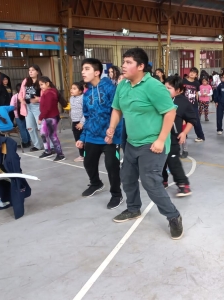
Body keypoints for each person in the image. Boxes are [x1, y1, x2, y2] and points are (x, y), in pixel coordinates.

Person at [105, 48, 183, 240]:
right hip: (131, 142)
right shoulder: (122, 85)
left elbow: (170, 112)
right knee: (128, 178)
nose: (123, 65)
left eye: (129, 62)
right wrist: (112, 127)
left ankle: (173, 216)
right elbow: (116, 109)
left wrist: (161, 139)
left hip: (152, 144)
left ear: (141, 66)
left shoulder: (154, 87)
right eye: (123, 61)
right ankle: (133, 209)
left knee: (151, 182)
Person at [76, 58, 123, 210]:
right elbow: (87, 117)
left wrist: (113, 134)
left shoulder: (110, 89)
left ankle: (116, 194)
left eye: (87, 69)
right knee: (88, 163)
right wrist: (83, 137)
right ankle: (96, 183)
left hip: (109, 137)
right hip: (92, 136)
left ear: (97, 72)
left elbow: (118, 113)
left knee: (112, 166)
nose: (83, 72)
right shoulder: (87, 94)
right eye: (82, 69)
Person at [162, 75, 197, 196]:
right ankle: (163, 181)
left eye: (169, 88)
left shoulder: (183, 103)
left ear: (179, 90)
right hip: (160, 137)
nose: (166, 90)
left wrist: (184, 133)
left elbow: (192, 119)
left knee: (173, 161)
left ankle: (183, 184)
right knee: (160, 161)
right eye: (165, 87)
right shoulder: (161, 99)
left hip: (173, 138)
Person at [38, 76, 65, 162]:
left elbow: (48, 107)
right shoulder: (46, 92)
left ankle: (60, 154)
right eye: (40, 85)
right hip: (47, 117)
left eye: (42, 84)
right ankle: (47, 151)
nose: (41, 86)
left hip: (51, 117)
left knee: (52, 135)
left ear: (47, 83)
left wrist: (40, 117)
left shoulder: (50, 93)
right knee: (43, 133)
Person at [18, 65, 44, 152]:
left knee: (41, 127)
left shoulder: (41, 80)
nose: (30, 72)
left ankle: (48, 146)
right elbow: (21, 92)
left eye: (32, 70)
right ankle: (37, 145)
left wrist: (38, 99)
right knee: (30, 127)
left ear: (37, 71)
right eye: (29, 70)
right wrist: (21, 99)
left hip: (38, 106)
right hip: (27, 106)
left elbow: (46, 94)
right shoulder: (26, 80)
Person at [183, 67, 205, 142]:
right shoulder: (183, 81)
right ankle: (183, 135)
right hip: (184, 105)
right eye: (191, 72)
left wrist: (197, 103)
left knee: (196, 121)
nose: (192, 73)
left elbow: (196, 94)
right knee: (183, 121)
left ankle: (201, 136)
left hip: (193, 105)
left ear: (196, 75)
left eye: (194, 73)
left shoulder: (196, 83)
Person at [10, 83, 31, 147]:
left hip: (18, 115)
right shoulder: (26, 96)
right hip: (27, 114)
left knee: (22, 129)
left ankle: (25, 142)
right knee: (27, 128)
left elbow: (11, 106)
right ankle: (29, 141)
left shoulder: (15, 96)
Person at [70, 82, 85, 162]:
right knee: (77, 139)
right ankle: (81, 155)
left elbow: (85, 112)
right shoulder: (71, 98)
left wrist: (82, 122)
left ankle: (86, 155)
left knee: (83, 140)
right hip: (74, 122)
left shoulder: (83, 98)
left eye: (74, 88)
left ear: (80, 91)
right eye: (71, 88)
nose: (71, 90)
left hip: (81, 122)